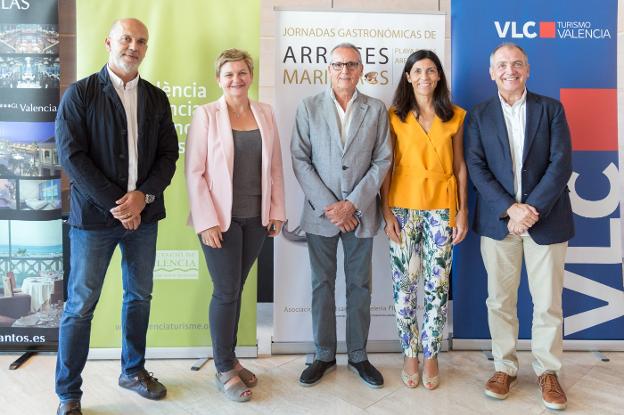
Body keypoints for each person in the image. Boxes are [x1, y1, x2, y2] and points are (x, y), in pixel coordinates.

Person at [54, 18, 178, 415]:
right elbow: (72, 157)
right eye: (126, 38)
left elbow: (168, 156)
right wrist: (118, 203)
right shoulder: (81, 94)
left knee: (139, 296)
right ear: (109, 41)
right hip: (93, 220)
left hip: (144, 218)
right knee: (80, 305)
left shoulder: (156, 99)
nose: (134, 46)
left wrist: (144, 197)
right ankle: (68, 394)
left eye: (141, 41)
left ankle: (133, 371)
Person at [464, 43, 573, 411]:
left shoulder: (551, 109)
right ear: (491, 72)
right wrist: (510, 208)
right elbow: (475, 168)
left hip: (547, 220)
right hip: (499, 223)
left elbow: (560, 163)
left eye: (517, 64)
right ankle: (504, 367)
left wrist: (531, 209)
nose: (510, 70)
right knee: (500, 301)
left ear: (527, 69)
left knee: (547, 304)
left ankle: (547, 372)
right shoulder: (478, 115)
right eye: (502, 65)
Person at [185, 48, 286, 402]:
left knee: (236, 288)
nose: (236, 80)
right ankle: (224, 367)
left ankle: (229, 357)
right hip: (220, 221)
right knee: (226, 291)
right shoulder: (206, 115)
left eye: (242, 73)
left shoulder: (266, 113)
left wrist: (276, 211)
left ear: (251, 75)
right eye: (228, 74)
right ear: (218, 79)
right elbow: (194, 173)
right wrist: (206, 221)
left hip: (256, 219)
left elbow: (274, 167)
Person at [291, 42, 392, 388]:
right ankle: (323, 354)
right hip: (322, 215)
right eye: (338, 64)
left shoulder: (376, 110)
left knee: (360, 286)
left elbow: (383, 160)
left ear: (361, 69)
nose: (344, 70)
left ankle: (359, 356)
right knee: (321, 284)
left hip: (361, 214)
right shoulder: (308, 107)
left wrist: (353, 204)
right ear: (328, 69)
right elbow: (300, 160)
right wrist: (332, 207)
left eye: (351, 64)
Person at [381, 50, 468, 390]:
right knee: (404, 286)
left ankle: (431, 354)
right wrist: (385, 211)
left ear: (439, 77)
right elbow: (385, 166)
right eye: (418, 71)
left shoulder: (456, 115)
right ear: (407, 76)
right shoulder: (393, 116)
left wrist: (462, 210)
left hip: (442, 210)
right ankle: (410, 353)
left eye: (431, 71)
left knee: (437, 286)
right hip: (402, 208)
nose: (425, 77)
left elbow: (460, 166)